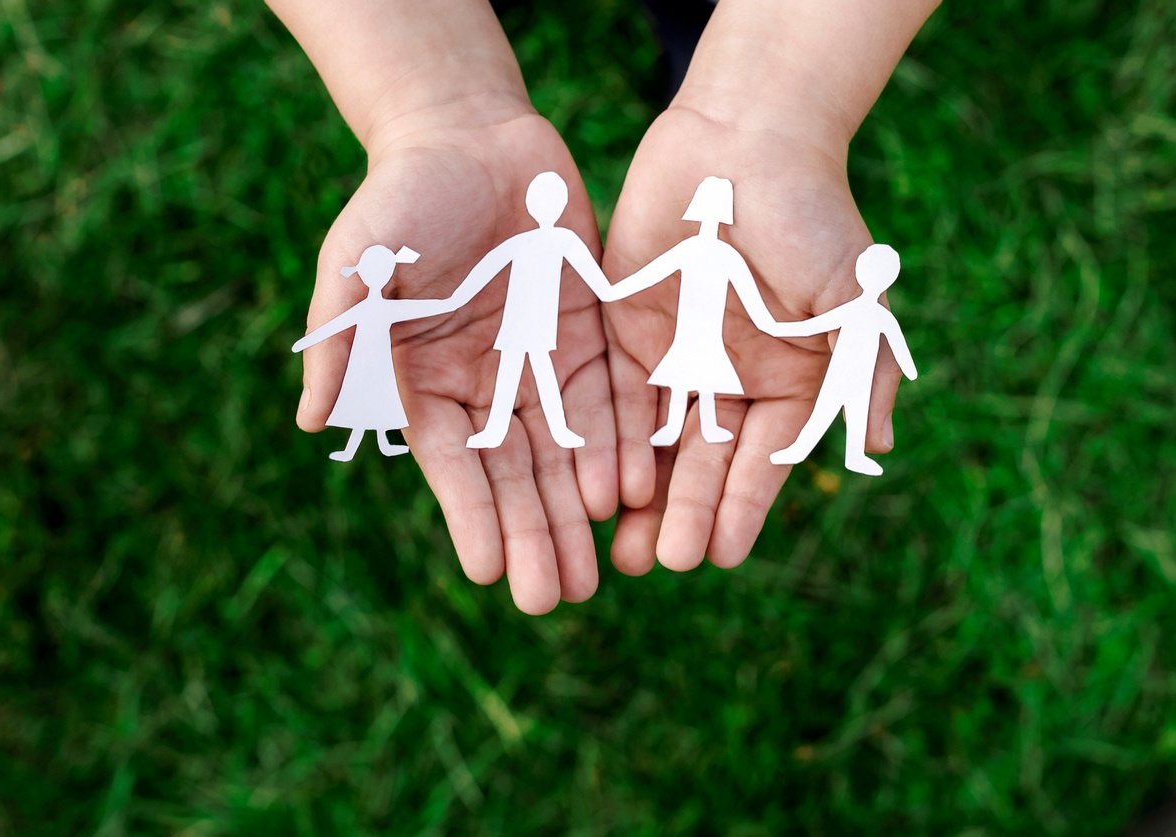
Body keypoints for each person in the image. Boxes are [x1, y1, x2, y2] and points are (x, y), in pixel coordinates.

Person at [269, 0, 940, 611]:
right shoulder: (549, 245)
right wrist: (431, 90)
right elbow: (502, 283)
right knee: (518, 383)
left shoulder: (613, 248)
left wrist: (768, 98)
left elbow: (590, 271)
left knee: (705, 27)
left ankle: (712, 51)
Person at [445, 171, 617, 450]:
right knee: (514, 372)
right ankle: (498, 430)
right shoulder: (527, 241)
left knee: (537, 372)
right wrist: (455, 299)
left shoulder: (563, 239)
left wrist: (622, 288)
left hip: (537, 321)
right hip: (517, 320)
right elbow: (487, 267)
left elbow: (598, 282)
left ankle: (556, 431)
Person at [605, 176, 777, 446]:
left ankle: (707, 427)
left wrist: (775, 325)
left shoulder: (726, 255)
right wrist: (613, 291)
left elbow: (751, 298)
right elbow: (651, 274)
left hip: (708, 330)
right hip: (688, 328)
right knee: (684, 372)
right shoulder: (699, 250)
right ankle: (674, 428)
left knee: (704, 373)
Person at [291, 245, 452, 462]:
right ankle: (353, 448)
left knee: (379, 399)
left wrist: (449, 303)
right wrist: (308, 340)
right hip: (364, 363)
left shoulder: (380, 308)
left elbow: (420, 308)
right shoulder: (372, 308)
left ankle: (382, 443)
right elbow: (335, 325)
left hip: (378, 363)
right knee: (364, 399)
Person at [767, 244, 918, 475]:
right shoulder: (869, 314)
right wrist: (777, 329)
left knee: (853, 414)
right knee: (825, 412)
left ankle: (853, 455)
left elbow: (898, 346)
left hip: (859, 377)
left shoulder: (876, 316)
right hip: (842, 374)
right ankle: (800, 449)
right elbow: (812, 326)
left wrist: (778, 328)